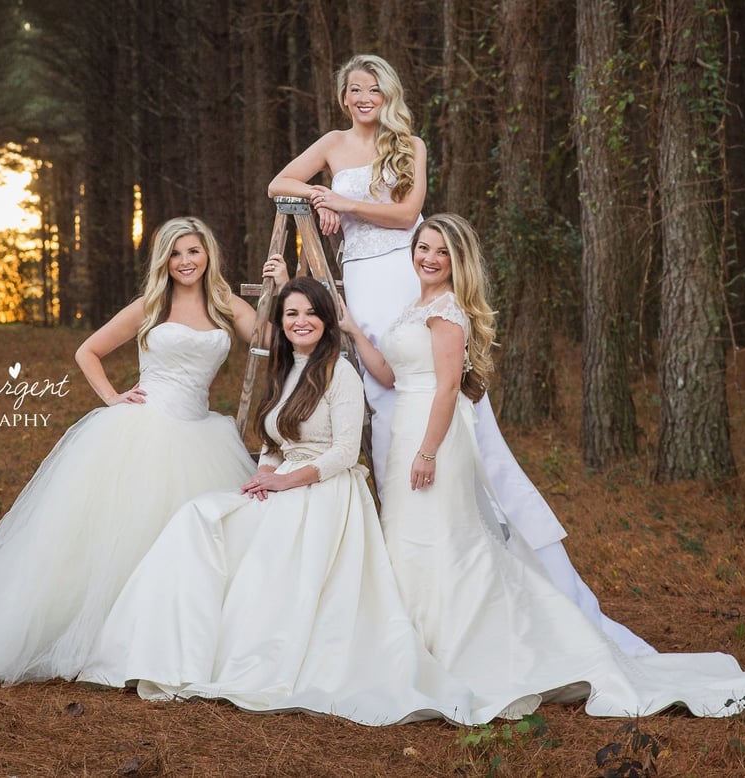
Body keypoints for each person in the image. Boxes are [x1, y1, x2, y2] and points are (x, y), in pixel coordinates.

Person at [268, 52, 654, 656]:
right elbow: (278, 183)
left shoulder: (409, 145)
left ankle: (484, 554)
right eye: (353, 90)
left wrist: (341, 204)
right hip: (362, 290)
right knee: (385, 402)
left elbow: (403, 215)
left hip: (400, 274)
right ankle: (408, 569)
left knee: (445, 404)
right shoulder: (333, 143)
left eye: (372, 88)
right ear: (343, 97)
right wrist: (318, 194)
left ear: (387, 93)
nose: (363, 98)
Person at [339, 212, 745, 719]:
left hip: (435, 439)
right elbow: (386, 373)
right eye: (424, 248)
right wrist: (352, 329)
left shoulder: (447, 311)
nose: (429, 258)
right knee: (409, 539)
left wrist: (427, 452)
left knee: (444, 539)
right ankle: (418, 646)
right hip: (408, 430)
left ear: (458, 261)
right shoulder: (417, 306)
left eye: (441, 252)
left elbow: (448, 388)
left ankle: (467, 652)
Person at [0, 216, 284, 686]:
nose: (185, 261)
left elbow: (268, 338)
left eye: (193, 252)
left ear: (208, 256)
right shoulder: (151, 305)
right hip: (144, 430)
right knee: (121, 539)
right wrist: (114, 398)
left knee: (194, 541)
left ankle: (173, 638)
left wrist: (280, 290)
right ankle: (107, 636)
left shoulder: (226, 304)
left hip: (199, 434)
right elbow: (88, 351)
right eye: (176, 253)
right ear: (164, 259)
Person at [76, 277, 486, 725]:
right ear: (281, 324)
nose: (301, 321)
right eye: (291, 314)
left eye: (311, 312)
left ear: (326, 320)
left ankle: (249, 654)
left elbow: (345, 454)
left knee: (256, 546)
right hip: (284, 479)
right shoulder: (284, 369)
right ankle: (170, 653)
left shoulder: (339, 371)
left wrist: (287, 483)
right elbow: (274, 440)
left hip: (326, 490)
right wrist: (266, 473)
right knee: (197, 517)